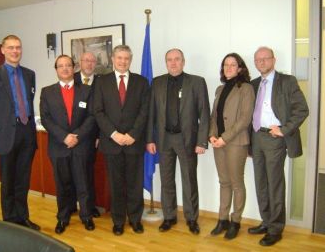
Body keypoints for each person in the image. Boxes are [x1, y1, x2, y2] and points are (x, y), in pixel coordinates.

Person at [249, 47, 309, 246]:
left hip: (275, 138)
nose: (262, 62)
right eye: (258, 60)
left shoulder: (287, 81)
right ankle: (266, 221)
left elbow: (302, 109)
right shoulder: (253, 84)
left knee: (274, 184)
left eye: (265, 59)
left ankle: (275, 228)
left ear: (274, 60)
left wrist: (284, 129)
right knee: (261, 183)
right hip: (256, 137)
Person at [146, 48, 210, 235]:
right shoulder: (157, 83)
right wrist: (149, 139)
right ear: (166, 63)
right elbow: (152, 113)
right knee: (166, 180)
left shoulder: (197, 82)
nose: (173, 63)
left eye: (177, 59)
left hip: (187, 140)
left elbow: (204, 114)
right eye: (169, 60)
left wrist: (202, 141)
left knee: (189, 180)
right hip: (164, 139)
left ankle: (191, 218)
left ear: (183, 61)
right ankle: (169, 216)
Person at [0, 35, 40, 230]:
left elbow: (29, 101)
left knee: (23, 180)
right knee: (8, 181)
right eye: (11, 47)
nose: (15, 51)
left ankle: (23, 218)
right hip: (6, 135)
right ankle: (10, 223)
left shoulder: (30, 74)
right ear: (3, 50)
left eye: (18, 47)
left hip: (27, 133)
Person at [93, 45, 149, 236]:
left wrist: (132, 134)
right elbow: (98, 111)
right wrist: (114, 134)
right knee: (115, 185)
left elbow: (144, 111)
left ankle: (135, 219)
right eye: (119, 58)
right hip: (111, 143)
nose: (123, 61)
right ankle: (118, 221)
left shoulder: (141, 82)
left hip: (134, 142)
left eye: (126, 58)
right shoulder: (102, 82)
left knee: (134, 184)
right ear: (112, 58)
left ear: (130, 60)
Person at [40, 54, 96, 234]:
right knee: (62, 185)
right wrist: (64, 137)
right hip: (58, 146)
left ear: (74, 68)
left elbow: (92, 116)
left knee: (83, 183)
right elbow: (46, 119)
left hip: (81, 146)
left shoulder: (86, 91)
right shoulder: (47, 92)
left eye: (68, 65)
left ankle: (86, 216)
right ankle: (62, 218)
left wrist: (76, 136)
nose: (65, 69)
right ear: (56, 70)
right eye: (60, 66)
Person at [209, 53, 255, 239]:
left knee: (236, 183)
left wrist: (225, 138)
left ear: (240, 68)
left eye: (232, 64)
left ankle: (235, 221)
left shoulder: (246, 88)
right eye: (225, 65)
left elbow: (244, 119)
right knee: (224, 182)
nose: (228, 68)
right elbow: (214, 116)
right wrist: (212, 135)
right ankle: (222, 219)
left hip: (235, 142)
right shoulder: (220, 89)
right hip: (218, 142)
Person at [71, 52, 100, 218]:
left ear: (95, 63)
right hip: (71, 136)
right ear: (80, 63)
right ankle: (72, 205)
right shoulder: (71, 79)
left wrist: (99, 136)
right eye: (86, 61)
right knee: (71, 174)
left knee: (88, 173)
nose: (89, 64)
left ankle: (90, 206)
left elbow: (102, 111)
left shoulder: (102, 82)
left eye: (92, 61)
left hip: (91, 137)